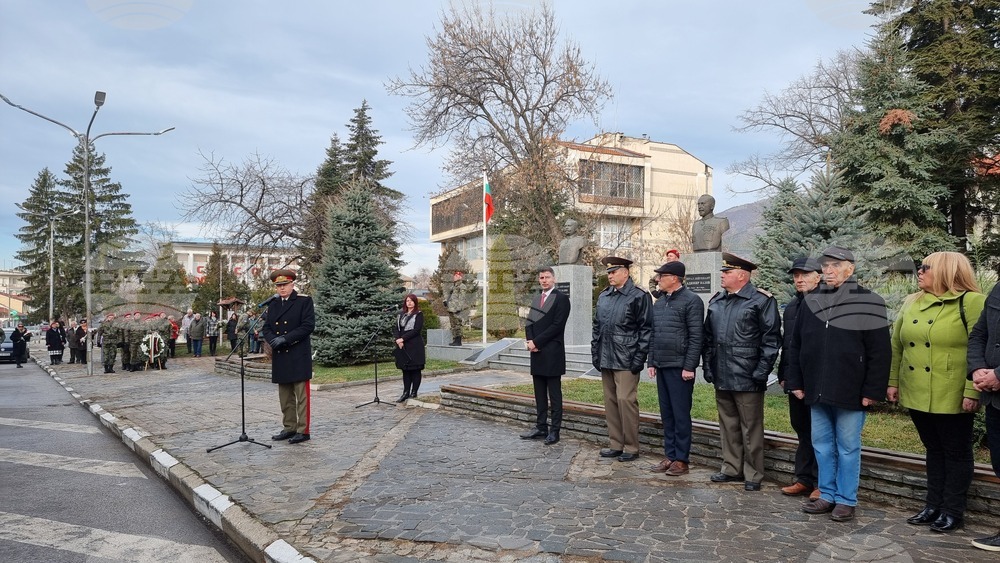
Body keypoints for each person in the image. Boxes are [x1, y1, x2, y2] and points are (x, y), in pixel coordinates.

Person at [785, 245, 891, 522]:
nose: (828, 271)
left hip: (850, 390)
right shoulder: (811, 301)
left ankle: (846, 499)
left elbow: (880, 352)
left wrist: (872, 390)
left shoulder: (869, 301)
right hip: (815, 388)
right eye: (825, 266)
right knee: (821, 444)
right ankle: (827, 494)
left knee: (847, 446)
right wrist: (795, 380)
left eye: (835, 265)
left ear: (850, 269)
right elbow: (796, 345)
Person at [886, 252, 984, 533]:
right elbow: (897, 345)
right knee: (933, 449)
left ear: (946, 271)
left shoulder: (971, 302)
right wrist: (893, 382)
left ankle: (952, 510)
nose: (919, 270)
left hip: (952, 390)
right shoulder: (912, 301)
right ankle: (933, 505)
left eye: (926, 267)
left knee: (956, 452)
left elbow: (979, 347)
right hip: (917, 389)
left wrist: (972, 391)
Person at [702, 253, 781, 491]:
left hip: (747, 373)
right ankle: (731, 468)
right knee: (728, 424)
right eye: (723, 272)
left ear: (742, 276)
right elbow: (708, 338)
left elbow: (771, 339)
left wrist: (761, 371)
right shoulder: (717, 300)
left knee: (750, 426)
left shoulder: (761, 300)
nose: (722, 275)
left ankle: (753, 473)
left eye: (726, 272)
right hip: (722, 371)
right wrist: (707, 365)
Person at [592, 256, 652, 462]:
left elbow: (646, 329)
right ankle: (615, 443)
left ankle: (631, 446)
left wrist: (639, 357)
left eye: (613, 272)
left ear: (625, 273)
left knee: (626, 400)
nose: (609, 275)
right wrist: (595, 353)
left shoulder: (638, 296)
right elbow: (597, 327)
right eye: (608, 272)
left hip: (626, 357)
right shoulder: (605, 296)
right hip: (606, 356)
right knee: (610, 402)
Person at [646, 260, 703, 476]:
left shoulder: (692, 301)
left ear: (674, 278)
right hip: (662, 364)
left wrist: (690, 366)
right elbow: (654, 334)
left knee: (680, 414)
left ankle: (682, 459)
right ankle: (669, 455)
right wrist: (652, 361)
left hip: (680, 368)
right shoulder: (659, 303)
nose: (658, 279)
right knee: (667, 414)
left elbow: (696, 336)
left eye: (662, 276)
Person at [776, 257, 823, 498]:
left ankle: (819, 482)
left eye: (805, 274)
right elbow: (789, 344)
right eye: (796, 275)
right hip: (795, 379)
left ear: (819, 276)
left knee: (820, 432)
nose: (799, 279)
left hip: (816, 379)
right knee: (802, 429)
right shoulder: (793, 306)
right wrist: (784, 374)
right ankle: (803, 478)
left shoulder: (825, 303)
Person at [261, 269, 315, 444]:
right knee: (285, 397)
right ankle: (289, 427)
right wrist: (272, 340)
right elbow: (266, 328)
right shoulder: (273, 305)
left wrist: (285, 339)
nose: (282, 288)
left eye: (285, 285)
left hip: (298, 354)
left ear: (292, 284)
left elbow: (307, 326)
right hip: (281, 355)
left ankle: (303, 430)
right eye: (278, 286)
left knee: (301, 397)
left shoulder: (304, 301)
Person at [520, 266, 571, 445]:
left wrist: (537, 342)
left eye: (547, 277)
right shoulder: (536, 299)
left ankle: (555, 431)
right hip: (536, 353)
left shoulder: (562, 299)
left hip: (552, 352)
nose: (544, 280)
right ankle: (541, 427)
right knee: (539, 394)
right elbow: (529, 323)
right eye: (541, 277)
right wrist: (530, 342)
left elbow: (557, 326)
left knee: (554, 395)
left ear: (554, 279)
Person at [968, 278, 1000, 551]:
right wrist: (977, 368)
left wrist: (999, 375)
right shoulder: (999, 287)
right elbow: (979, 333)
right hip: (995, 400)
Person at [393, 294, 426, 402]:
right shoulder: (401, 314)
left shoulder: (418, 314)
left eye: (411, 301)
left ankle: (414, 392)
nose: (409, 303)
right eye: (407, 301)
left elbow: (416, 330)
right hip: (402, 346)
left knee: (415, 370)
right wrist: (398, 340)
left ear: (415, 302)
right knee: (405, 370)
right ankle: (405, 392)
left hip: (415, 346)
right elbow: (396, 329)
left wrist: (403, 339)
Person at [443, 270, 472, 346]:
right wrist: (446, 302)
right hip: (451, 308)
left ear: (460, 277)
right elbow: (450, 296)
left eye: (456, 276)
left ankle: (458, 341)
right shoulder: (453, 286)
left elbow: (462, 298)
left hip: (456, 309)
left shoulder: (462, 286)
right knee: (453, 325)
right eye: (454, 276)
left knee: (457, 324)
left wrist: (459, 308)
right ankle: (455, 340)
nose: (455, 277)